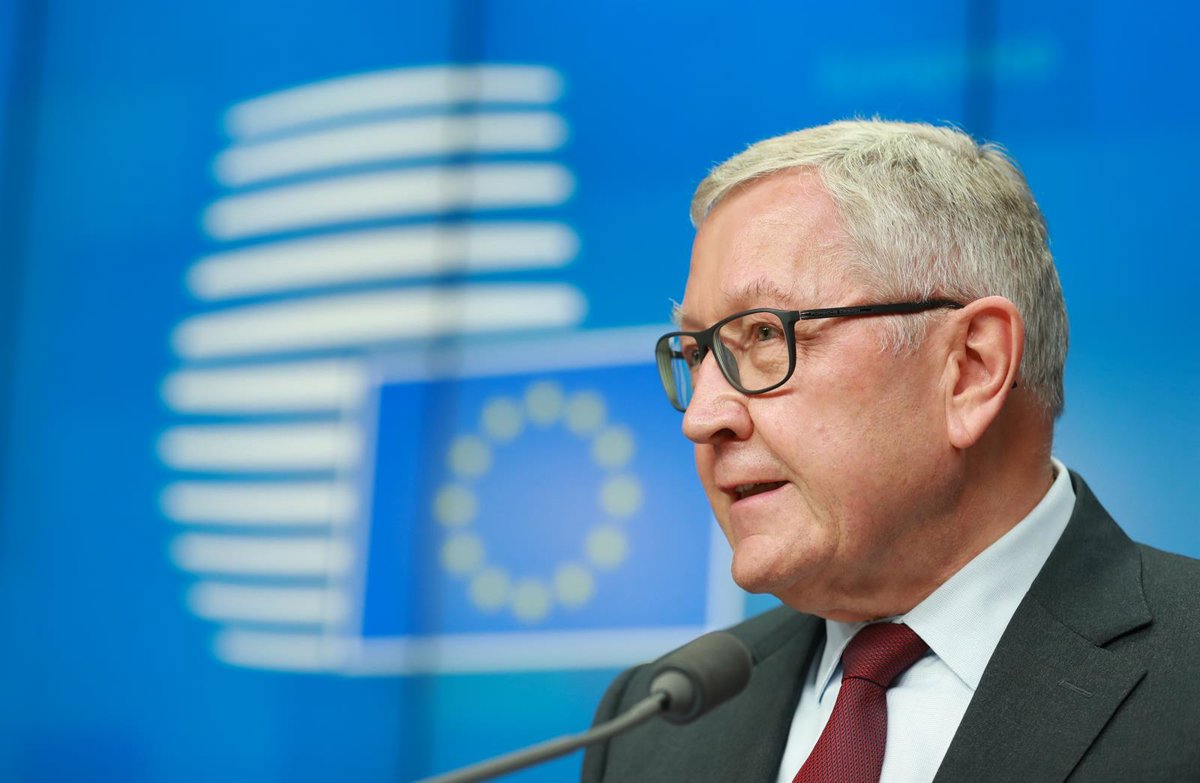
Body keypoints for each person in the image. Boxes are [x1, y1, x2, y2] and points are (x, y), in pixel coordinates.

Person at [581, 120, 1200, 782]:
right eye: (695, 353)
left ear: (970, 368)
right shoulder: (652, 727)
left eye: (763, 334)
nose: (703, 418)